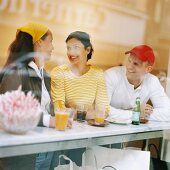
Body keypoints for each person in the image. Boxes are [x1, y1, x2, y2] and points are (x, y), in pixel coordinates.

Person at [0, 22, 60, 170]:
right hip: (26, 153)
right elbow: (10, 113)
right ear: (39, 42)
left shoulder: (44, 74)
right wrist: (48, 120)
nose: (53, 47)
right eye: (50, 41)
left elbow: (45, 107)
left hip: (47, 147)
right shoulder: (16, 71)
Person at [51, 31, 109, 165]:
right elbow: (59, 110)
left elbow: (104, 110)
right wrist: (89, 113)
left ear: (87, 50)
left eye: (76, 47)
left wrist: (74, 111)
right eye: (68, 48)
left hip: (90, 136)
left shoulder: (97, 74)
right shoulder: (59, 72)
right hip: (66, 134)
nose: (71, 52)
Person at [105, 44, 170, 122]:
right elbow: (103, 110)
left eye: (135, 64)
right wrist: (136, 113)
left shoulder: (152, 81)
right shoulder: (111, 75)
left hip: (135, 130)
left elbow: (167, 113)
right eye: (129, 61)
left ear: (148, 69)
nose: (129, 66)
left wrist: (141, 114)